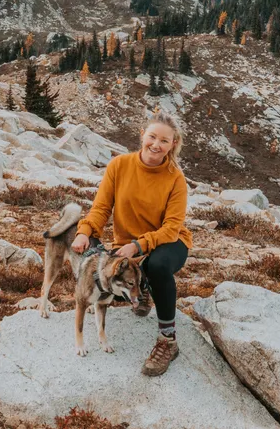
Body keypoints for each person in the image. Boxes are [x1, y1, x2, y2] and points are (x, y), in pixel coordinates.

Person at [73, 109, 191, 376]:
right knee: (90, 244)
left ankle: (167, 340)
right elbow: (101, 208)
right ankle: (138, 287)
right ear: (142, 135)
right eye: (152, 137)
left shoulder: (175, 179)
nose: (156, 145)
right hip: (127, 244)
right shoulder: (119, 165)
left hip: (168, 243)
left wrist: (139, 246)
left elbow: (171, 229)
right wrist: (84, 230)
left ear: (173, 144)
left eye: (164, 140)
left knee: (158, 264)